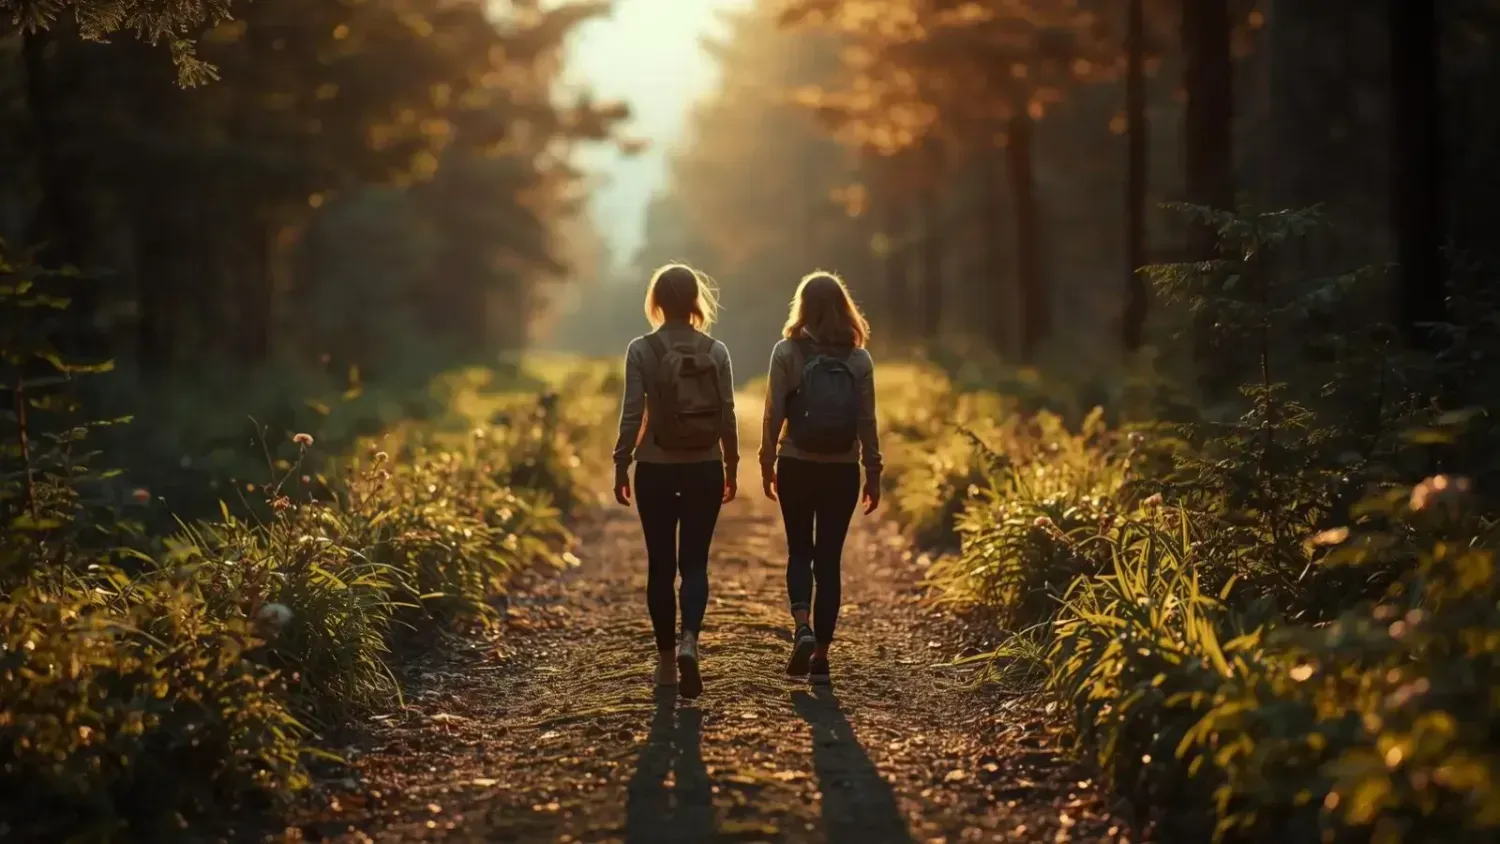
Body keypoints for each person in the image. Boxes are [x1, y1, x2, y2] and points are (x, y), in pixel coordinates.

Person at [612, 263, 739, 699]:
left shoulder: (640, 350)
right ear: (694, 301)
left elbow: (632, 413)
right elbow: (727, 413)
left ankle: (666, 665)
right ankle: (690, 642)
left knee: (661, 567)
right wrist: (733, 464)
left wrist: (620, 462)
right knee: (695, 565)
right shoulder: (716, 350)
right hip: (704, 467)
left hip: (655, 469)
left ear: (658, 302)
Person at [759, 270, 881, 685]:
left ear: (803, 307)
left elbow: (774, 411)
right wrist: (874, 472)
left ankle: (802, 628)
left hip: (796, 463)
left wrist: (766, 459)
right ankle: (822, 658)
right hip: (843, 469)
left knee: (799, 551)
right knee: (828, 561)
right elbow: (867, 421)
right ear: (844, 307)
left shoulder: (787, 352)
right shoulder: (859, 358)